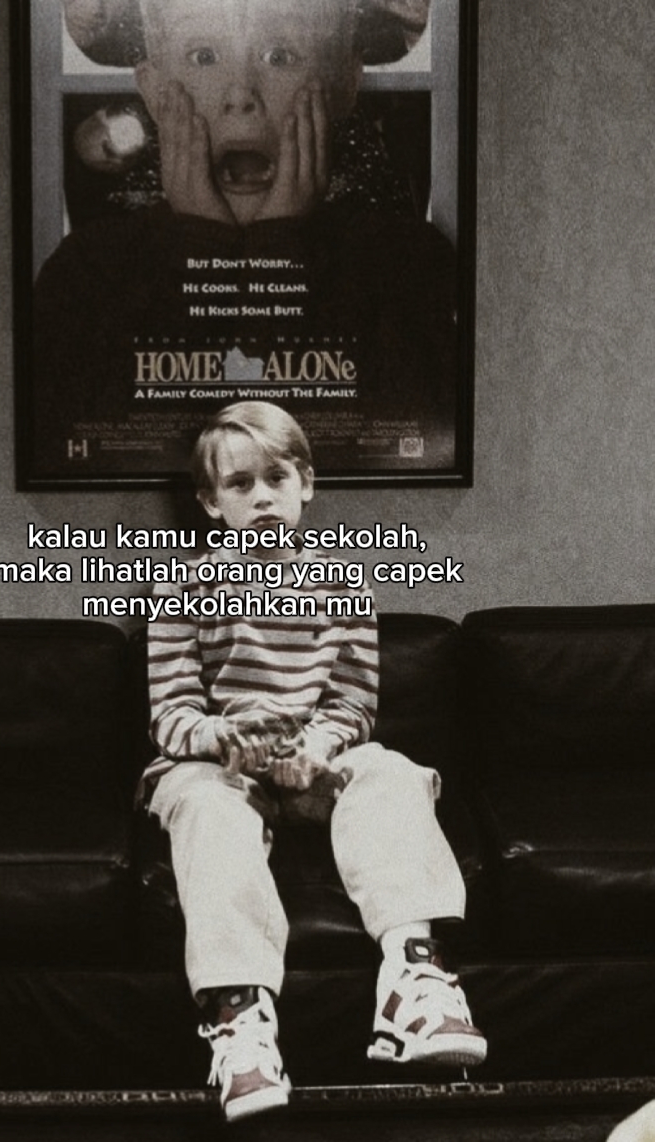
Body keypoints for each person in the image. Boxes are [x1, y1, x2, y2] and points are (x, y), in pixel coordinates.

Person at [143, 401, 485, 1122]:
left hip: (313, 764)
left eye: (276, 478)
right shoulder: (181, 589)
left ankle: (414, 982)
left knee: (391, 769)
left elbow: (353, 704)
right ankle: (241, 1023)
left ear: (306, 484)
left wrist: (319, 747)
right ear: (211, 502)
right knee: (202, 803)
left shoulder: (344, 587)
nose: (262, 497)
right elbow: (170, 714)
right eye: (240, 484)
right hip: (220, 767)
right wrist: (221, 738)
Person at [32, 0, 457, 478]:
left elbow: (384, 458)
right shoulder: (88, 271)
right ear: (152, 87)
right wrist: (201, 246)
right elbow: (108, 463)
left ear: (344, 82)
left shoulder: (404, 263)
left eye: (280, 56)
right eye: (204, 56)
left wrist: (277, 248)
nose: (240, 94)